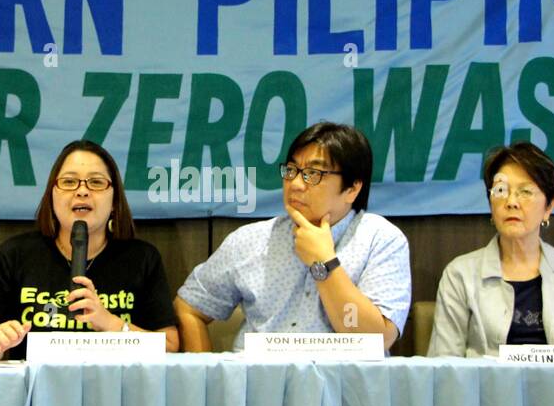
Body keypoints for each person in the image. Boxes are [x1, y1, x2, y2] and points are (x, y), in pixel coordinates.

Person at [173, 122, 410, 351]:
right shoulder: (250, 240)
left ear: (352, 189)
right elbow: (189, 307)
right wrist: (210, 380)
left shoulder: (381, 240)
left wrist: (324, 263)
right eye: (292, 170)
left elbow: (375, 341)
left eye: (313, 174)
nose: (295, 184)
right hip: (257, 385)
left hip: (338, 387)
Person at [0, 140, 178, 360]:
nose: (82, 191)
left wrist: (110, 323)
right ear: (51, 195)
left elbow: (169, 345)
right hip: (36, 389)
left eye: (96, 182)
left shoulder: (141, 258)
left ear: (114, 201)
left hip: (117, 388)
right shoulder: (16, 254)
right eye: (69, 181)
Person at [428, 142, 554, 357]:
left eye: (525, 191)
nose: (511, 202)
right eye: (501, 191)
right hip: (485, 390)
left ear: (549, 206)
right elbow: (443, 365)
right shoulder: (460, 275)